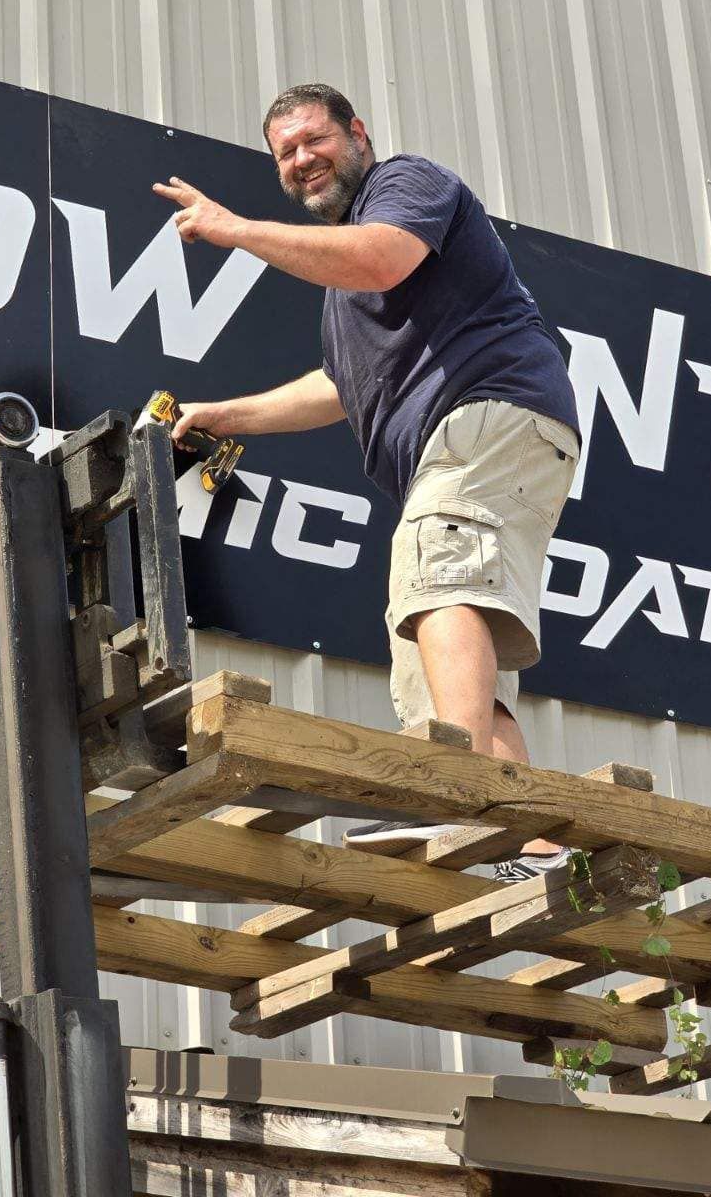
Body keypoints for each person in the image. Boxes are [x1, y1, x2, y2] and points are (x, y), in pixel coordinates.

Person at [152, 83, 580, 879]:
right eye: (285, 153)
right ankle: (531, 847)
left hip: (489, 412)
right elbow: (339, 389)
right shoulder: (344, 299)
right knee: (437, 651)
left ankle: (454, 797)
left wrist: (233, 229)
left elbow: (381, 256)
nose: (302, 159)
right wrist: (226, 415)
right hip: (475, 445)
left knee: (438, 578)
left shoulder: (408, 184)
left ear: (357, 133)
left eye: (314, 139)